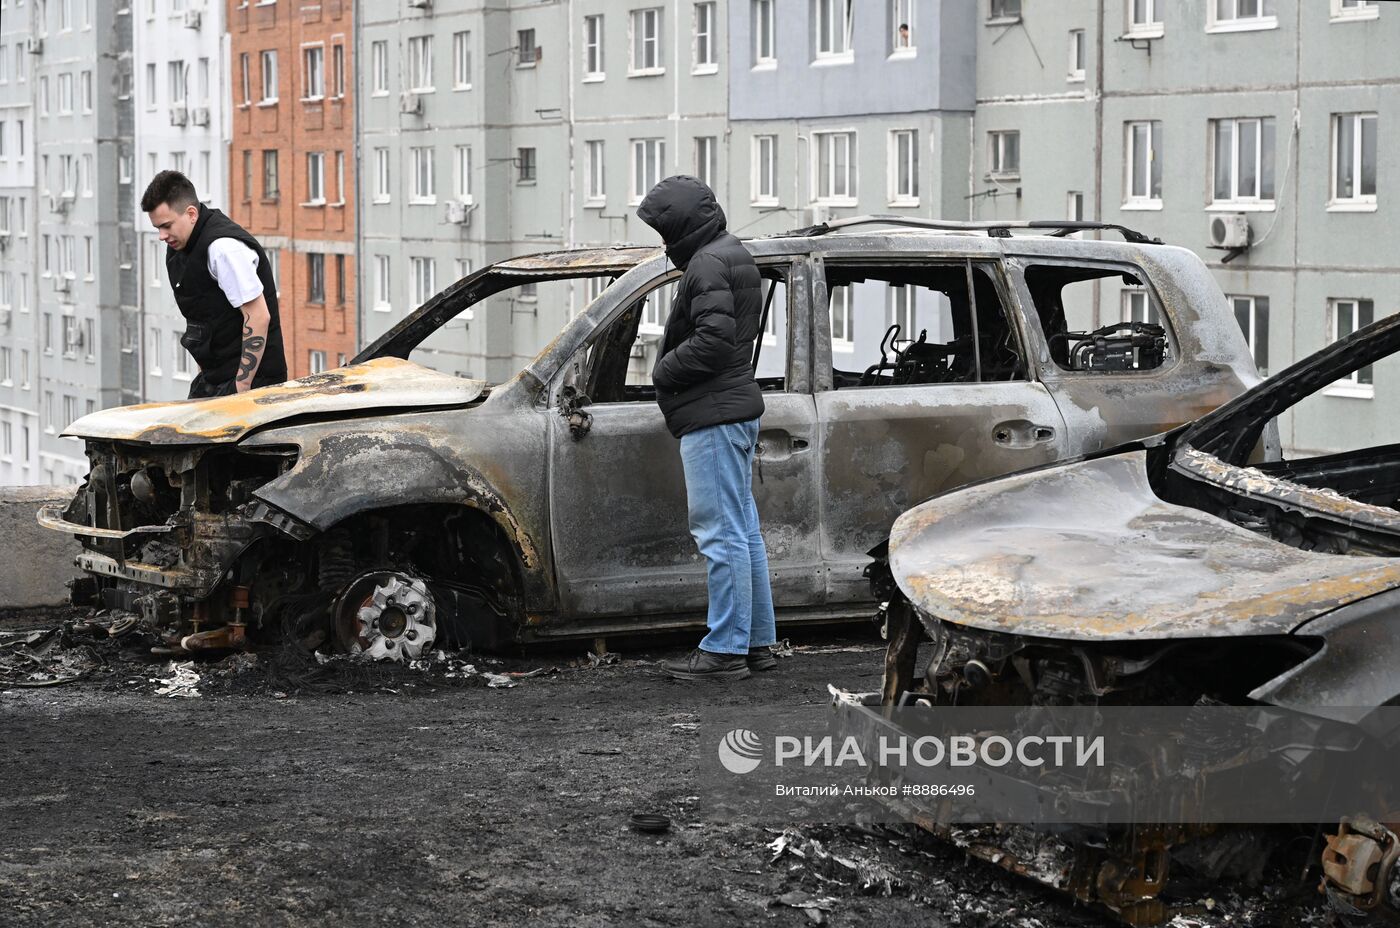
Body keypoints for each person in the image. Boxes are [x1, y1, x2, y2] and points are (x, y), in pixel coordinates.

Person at [636, 175, 778, 682]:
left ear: (680, 226)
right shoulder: (728, 251)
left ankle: (724, 650)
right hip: (730, 408)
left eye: (663, 229)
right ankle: (755, 643)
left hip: (713, 412)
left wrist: (663, 371)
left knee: (721, 535)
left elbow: (714, 343)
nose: (662, 240)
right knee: (742, 532)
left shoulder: (708, 262)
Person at [140, 170, 287, 398]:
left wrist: (242, 386)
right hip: (214, 378)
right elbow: (204, 319)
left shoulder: (223, 248)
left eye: (167, 226)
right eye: (157, 228)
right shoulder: (181, 248)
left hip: (250, 384)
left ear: (191, 214)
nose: (162, 236)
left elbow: (258, 316)